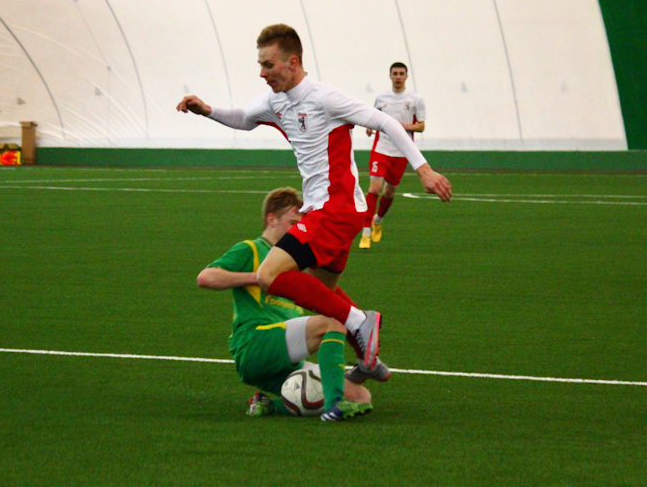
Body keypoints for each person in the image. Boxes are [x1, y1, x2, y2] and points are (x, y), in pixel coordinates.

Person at [178, 24, 452, 419]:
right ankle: (368, 358)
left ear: (292, 62)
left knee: (270, 275)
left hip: (334, 209)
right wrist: (207, 111)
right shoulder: (275, 101)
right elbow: (244, 118)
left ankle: (360, 323)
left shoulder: (325, 97)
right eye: (260, 65)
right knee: (323, 293)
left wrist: (423, 170)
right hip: (329, 211)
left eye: (268, 64)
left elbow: (387, 123)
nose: (262, 73)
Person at [197, 187, 373, 420]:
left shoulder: (293, 263)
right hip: (256, 344)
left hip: (284, 358)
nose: (296, 229)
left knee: (361, 396)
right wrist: (259, 277)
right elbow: (205, 277)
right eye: (292, 223)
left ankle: (269, 405)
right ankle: (333, 405)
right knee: (334, 322)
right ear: (272, 219)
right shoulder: (252, 248)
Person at [360, 62, 426, 249]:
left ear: (406, 76)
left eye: (401, 73)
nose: (398, 77)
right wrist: (369, 128)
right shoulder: (381, 98)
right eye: (395, 73)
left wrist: (403, 127)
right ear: (390, 76)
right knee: (375, 188)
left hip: (401, 151)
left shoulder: (415, 99)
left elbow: (421, 126)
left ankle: (378, 220)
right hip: (382, 149)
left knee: (389, 192)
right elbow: (374, 117)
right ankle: (365, 233)